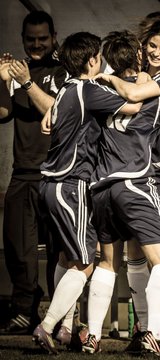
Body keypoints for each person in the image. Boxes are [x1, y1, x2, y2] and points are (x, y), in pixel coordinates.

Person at [82, 30, 160, 359]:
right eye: (150, 48)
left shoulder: (98, 93)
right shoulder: (155, 99)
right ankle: (157, 335)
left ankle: (95, 336)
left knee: (110, 262)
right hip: (137, 184)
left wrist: (105, 79)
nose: (155, 53)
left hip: (103, 187)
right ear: (140, 55)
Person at [32, 31, 142, 355]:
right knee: (85, 262)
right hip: (71, 184)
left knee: (67, 256)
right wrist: (120, 80)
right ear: (94, 60)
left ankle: (66, 329)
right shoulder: (87, 89)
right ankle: (48, 325)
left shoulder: (65, 87)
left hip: (50, 184)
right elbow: (134, 105)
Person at [0, 10, 67, 335]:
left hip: (59, 173)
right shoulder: (16, 71)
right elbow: (2, 114)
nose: (37, 44)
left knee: (59, 249)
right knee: (17, 247)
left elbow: (58, 113)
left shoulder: (65, 69)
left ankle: (56, 316)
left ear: (54, 37)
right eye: (30, 39)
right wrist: (3, 81)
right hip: (22, 173)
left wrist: (26, 82)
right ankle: (24, 309)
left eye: (43, 38)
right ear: (23, 39)